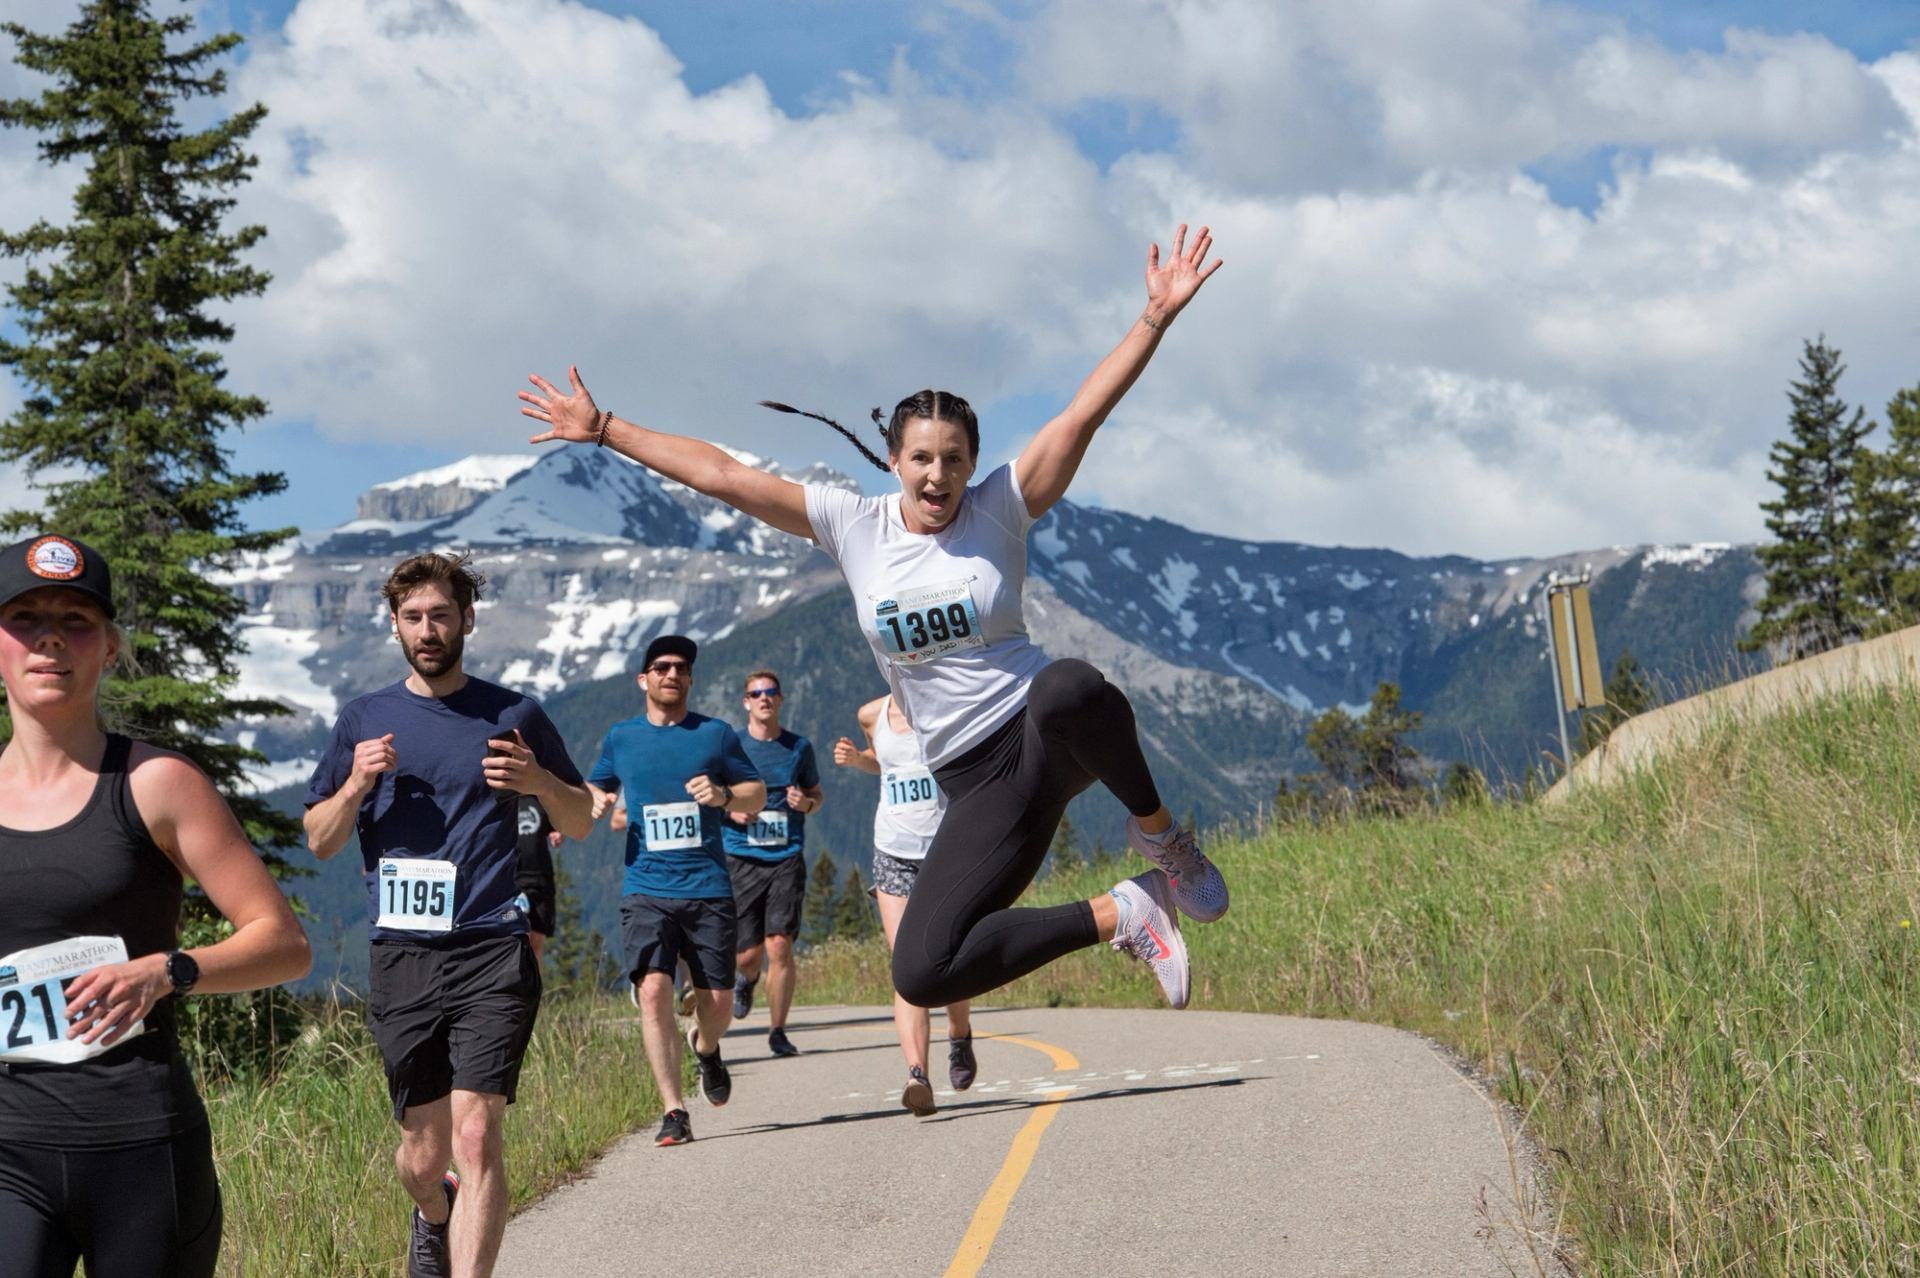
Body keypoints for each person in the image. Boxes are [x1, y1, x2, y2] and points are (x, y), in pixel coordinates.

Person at [521, 223, 1230, 1016]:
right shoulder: (855, 525)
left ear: (973, 463)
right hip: (973, 779)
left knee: (1069, 686)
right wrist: (607, 428)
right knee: (923, 971)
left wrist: (1155, 318)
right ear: (894, 459)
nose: (939, 475)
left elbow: (1079, 417)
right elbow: (723, 475)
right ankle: (1122, 912)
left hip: (1041, 733)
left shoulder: (1000, 508)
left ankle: (1161, 836)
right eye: (922, 457)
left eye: (955, 458)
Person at [0, 533, 312, 1278]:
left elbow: (285, 944)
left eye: (76, 619)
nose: (50, 636)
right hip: (8, 1153)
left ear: (110, 647)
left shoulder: (158, 784)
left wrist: (167, 972)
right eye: (25, 618)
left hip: (141, 1151)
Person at [304, 552, 592, 1278]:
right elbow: (320, 838)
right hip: (402, 953)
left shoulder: (513, 714)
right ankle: (434, 1212)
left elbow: (583, 818)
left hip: (492, 946)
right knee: (424, 1156)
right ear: (394, 626)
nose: (427, 631)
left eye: (440, 615)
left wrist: (538, 782)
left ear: (467, 619)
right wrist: (357, 785)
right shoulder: (363, 719)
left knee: (476, 1132)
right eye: (413, 618)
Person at [584, 635, 766, 1146]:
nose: (672, 674)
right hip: (645, 886)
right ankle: (673, 1110)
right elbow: (597, 786)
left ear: (689, 680)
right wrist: (594, 803)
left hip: (707, 886)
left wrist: (725, 793)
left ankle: (705, 1047)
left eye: (681, 668)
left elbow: (758, 791)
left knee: (719, 1000)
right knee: (654, 989)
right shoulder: (621, 738)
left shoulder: (716, 735)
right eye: (661, 667)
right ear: (644, 679)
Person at [833, 695, 973, 1115]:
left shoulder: (948, 703)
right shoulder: (870, 713)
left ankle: (959, 1033)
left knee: (951, 957)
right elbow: (883, 759)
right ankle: (918, 1075)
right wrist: (861, 760)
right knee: (907, 965)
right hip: (892, 849)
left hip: (945, 848)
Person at [721, 669, 823, 1057]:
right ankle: (746, 980)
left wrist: (807, 804)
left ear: (780, 700)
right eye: (756, 693)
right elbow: (710, 797)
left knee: (780, 945)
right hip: (741, 857)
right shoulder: (731, 747)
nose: (764, 698)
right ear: (745, 701)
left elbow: (817, 795)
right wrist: (731, 811)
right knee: (747, 955)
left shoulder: (799, 747)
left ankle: (778, 1030)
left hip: (785, 856)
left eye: (771, 693)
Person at [512, 796, 556, 964]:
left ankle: (533, 987)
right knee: (522, 934)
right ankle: (516, 984)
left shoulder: (541, 797)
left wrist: (558, 834)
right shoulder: (506, 798)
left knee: (537, 940)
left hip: (540, 877)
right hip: (514, 877)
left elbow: (560, 824)